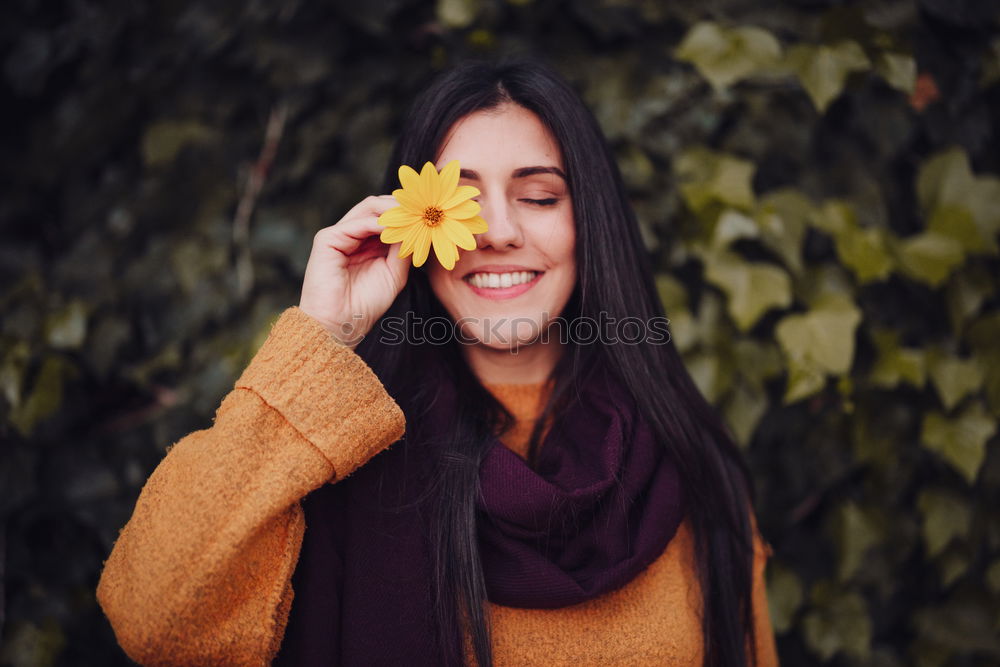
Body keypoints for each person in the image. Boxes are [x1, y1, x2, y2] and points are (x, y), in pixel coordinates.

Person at [97, 57, 779, 666]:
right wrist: (321, 339)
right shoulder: (334, 454)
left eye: (539, 196)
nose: (499, 231)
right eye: (459, 202)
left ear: (589, 221)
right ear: (413, 223)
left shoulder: (684, 463)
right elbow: (158, 624)